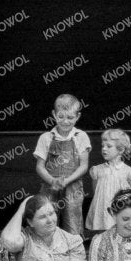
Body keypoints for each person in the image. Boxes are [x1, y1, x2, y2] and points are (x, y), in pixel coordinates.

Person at [34, 95, 92, 236]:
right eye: (61, 117)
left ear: (77, 116)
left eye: (70, 118)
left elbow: (84, 166)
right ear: (54, 114)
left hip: (73, 186)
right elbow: (39, 166)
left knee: (73, 221)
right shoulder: (46, 137)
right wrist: (52, 181)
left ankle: (73, 252)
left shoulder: (81, 136)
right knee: (47, 219)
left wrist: (67, 181)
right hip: (49, 186)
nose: (65, 121)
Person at [86, 129, 131, 236]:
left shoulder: (128, 171)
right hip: (102, 208)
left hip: (119, 209)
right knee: (102, 235)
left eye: (109, 146)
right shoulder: (97, 170)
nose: (104, 149)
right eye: (103, 146)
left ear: (120, 150)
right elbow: (96, 189)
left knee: (120, 234)